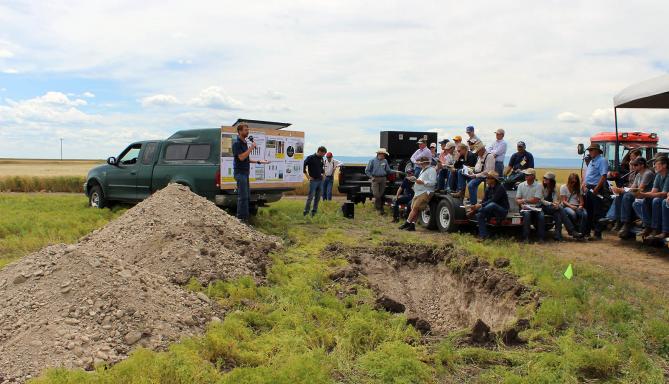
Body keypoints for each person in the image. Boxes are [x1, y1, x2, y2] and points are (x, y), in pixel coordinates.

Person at [231, 123, 269, 222]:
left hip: (245, 173)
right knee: (242, 197)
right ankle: (240, 219)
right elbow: (241, 157)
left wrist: (259, 161)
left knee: (246, 196)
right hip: (239, 173)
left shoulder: (245, 143)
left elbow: (246, 159)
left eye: (248, 129)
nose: (247, 131)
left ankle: (245, 217)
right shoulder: (236, 143)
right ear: (239, 131)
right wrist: (252, 148)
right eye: (245, 130)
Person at [632, 154, 669, 238]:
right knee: (646, 200)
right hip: (662, 198)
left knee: (657, 200)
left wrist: (644, 194)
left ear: (664, 165)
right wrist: (642, 195)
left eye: (656, 163)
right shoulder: (658, 175)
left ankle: (660, 230)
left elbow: (664, 193)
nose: (654, 166)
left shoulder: (667, 175)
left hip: (664, 198)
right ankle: (648, 226)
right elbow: (653, 191)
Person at [617, 157, 655, 238]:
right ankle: (618, 220)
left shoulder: (648, 173)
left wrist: (625, 190)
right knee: (619, 195)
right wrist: (621, 190)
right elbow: (633, 187)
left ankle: (626, 222)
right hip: (639, 195)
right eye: (633, 165)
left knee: (627, 196)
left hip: (645, 195)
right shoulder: (638, 174)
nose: (633, 167)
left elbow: (640, 189)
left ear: (642, 165)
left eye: (635, 165)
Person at [603, 149, 642, 228]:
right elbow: (631, 184)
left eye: (633, 159)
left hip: (637, 192)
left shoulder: (643, 173)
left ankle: (617, 219)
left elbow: (638, 188)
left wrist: (623, 190)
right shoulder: (631, 170)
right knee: (618, 194)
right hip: (630, 188)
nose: (631, 162)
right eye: (630, 159)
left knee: (624, 195)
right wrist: (620, 188)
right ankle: (616, 219)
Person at [469, 171, 509, 239]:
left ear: (494, 179)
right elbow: (484, 200)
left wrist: (480, 206)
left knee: (492, 204)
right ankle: (483, 235)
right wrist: (478, 205)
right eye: (486, 178)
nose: (486, 179)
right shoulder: (488, 188)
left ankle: (476, 211)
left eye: (488, 178)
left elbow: (493, 200)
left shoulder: (500, 188)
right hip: (490, 209)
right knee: (480, 216)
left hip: (502, 210)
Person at [400, 157, 436, 231]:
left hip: (425, 191)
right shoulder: (423, 170)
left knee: (415, 208)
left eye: (421, 163)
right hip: (419, 191)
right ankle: (412, 225)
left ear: (425, 163)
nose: (420, 165)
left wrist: (422, 182)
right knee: (416, 208)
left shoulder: (432, 170)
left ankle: (407, 222)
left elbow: (433, 183)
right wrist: (415, 180)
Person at [582, 143, 609, 240]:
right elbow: (588, 176)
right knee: (589, 211)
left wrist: (596, 189)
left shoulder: (602, 161)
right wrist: (584, 185)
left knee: (597, 211)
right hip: (588, 188)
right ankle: (587, 232)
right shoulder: (592, 161)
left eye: (591, 150)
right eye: (589, 150)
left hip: (596, 188)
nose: (590, 152)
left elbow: (603, 176)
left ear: (597, 151)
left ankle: (597, 234)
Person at [516, 168, 545, 243]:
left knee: (541, 217)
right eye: (525, 174)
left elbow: (536, 200)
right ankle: (526, 238)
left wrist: (523, 200)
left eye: (528, 175)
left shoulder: (539, 185)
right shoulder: (521, 185)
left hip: (536, 207)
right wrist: (522, 204)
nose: (526, 176)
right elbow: (517, 199)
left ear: (533, 176)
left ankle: (541, 238)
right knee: (527, 214)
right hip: (525, 207)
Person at [465, 141, 496, 205]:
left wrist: (476, 175)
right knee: (469, 183)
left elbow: (488, 172)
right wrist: (471, 169)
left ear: (482, 149)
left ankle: (475, 203)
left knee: (472, 185)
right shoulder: (480, 156)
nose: (476, 153)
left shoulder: (489, 156)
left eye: (477, 151)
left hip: (487, 176)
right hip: (480, 175)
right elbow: (478, 167)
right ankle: (472, 201)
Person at [559, 173, 587, 239]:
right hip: (567, 206)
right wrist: (571, 206)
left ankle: (581, 233)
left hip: (577, 206)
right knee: (573, 214)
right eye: (572, 182)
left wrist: (580, 206)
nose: (573, 184)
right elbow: (563, 201)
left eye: (575, 182)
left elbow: (581, 201)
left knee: (584, 214)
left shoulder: (578, 188)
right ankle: (574, 231)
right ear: (569, 180)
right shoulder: (563, 187)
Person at [365, 148, 392, 215]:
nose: (384, 156)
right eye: (383, 154)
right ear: (379, 154)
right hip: (375, 179)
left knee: (381, 193)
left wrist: (395, 172)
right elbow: (367, 170)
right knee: (376, 194)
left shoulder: (385, 161)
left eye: (384, 154)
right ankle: (379, 207)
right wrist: (371, 177)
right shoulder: (372, 161)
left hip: (383, 179)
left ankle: (377, 207)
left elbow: (388, 170)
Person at [303, 146, 327, 216]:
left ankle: (314, 213)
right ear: (319, 151)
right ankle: (306, 213)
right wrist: (307, 176)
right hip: (313, 181)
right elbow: (303, 165)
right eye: (323, 154)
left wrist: (324, 174)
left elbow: (322, 168)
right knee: (310, 197)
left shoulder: (321, 159)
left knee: (318, 198)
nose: (324, 155)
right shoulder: (310, 158)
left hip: (320, 181)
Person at [540, 172, 563, 241]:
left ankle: (557, 235)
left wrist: (556, 204)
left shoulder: (554, 189)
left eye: (546, 178)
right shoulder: (541, 187)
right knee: (560, 209)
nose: (544, 179)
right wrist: (551, 204)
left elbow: (555, 200)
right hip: (542, 206)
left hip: (551, 208)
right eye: (544, 178)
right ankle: (571, 230)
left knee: (558, 214)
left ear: (551, 181)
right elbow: (541, 200)